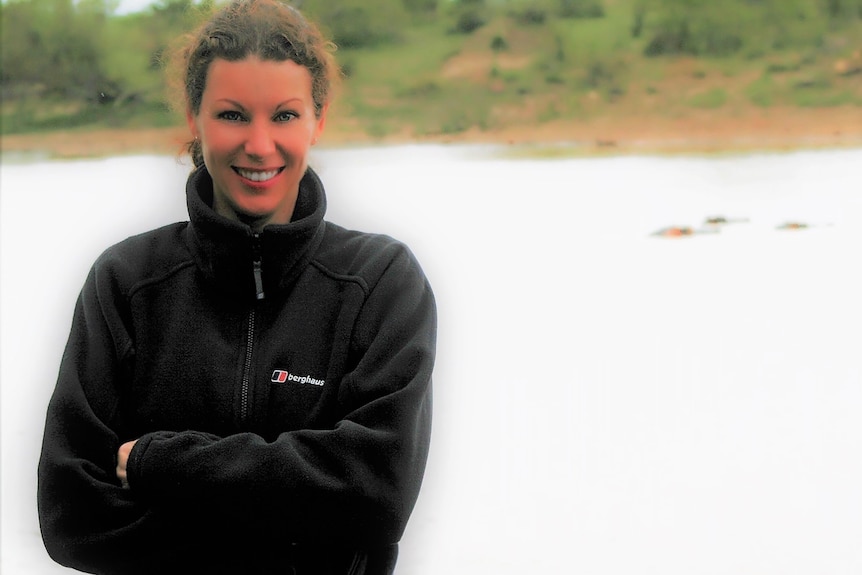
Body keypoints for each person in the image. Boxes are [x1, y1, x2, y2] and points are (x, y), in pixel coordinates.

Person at [36, 1, 436, 573]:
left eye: (284, 116)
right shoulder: (126, 283)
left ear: (318, 120)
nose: (258, 144)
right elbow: (71, 517)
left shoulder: (380, 282)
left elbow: (378, 497)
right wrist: (300, 524)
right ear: (194, 120)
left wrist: (160, 465)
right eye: (231, 115)